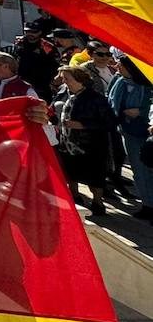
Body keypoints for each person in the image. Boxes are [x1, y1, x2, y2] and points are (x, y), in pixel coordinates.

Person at [53, 64, 115, 216]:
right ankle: (75, 196)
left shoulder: (96, 99)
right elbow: (52, 108)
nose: (64, 82)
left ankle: (98, 202)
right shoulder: (63, 93)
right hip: (66, 142)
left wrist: (83, 125)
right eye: (63, 79)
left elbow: (110, 122)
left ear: (80, 80)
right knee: (70, 172)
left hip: (90, 144)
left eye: (67, 78)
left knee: (95, 175)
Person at [107, 51, 153, 221]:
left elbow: (150, 104)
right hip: (128, 132)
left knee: (148, 169)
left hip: (145, 132)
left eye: (122, 64)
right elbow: (110, 100)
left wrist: (140, 112)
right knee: (139, 171)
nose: (117, 66)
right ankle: (148, 204)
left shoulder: (147, 84)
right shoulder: (118, 81)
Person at [8, 22, 59, 100]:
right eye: (27, 32)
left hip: (41, 84)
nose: (30, 34)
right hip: (21, 81)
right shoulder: (19, 43)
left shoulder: (47, 46)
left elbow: (55, 66)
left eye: (34, 32)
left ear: (40, 32)